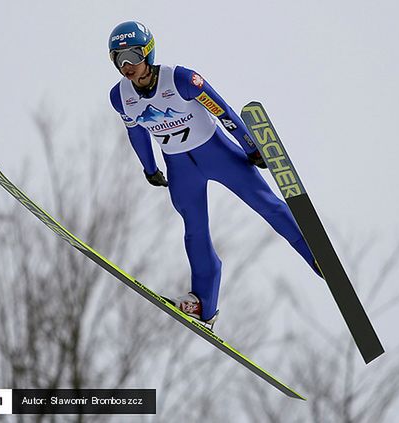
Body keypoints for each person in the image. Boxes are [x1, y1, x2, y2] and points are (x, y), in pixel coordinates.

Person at [108, 21, 321, 328]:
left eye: (132, 55)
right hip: (180, 169)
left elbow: (223, 112)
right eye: (118, 58)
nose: (126, 65)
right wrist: (150, 168)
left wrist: (251, 147)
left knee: (265, 203)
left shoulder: (182, 80)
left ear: (148, 53)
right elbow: (137, 134)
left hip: (217, 154)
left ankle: (314, 254)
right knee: (195, 231)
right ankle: (203, 305)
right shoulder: (120, 97)